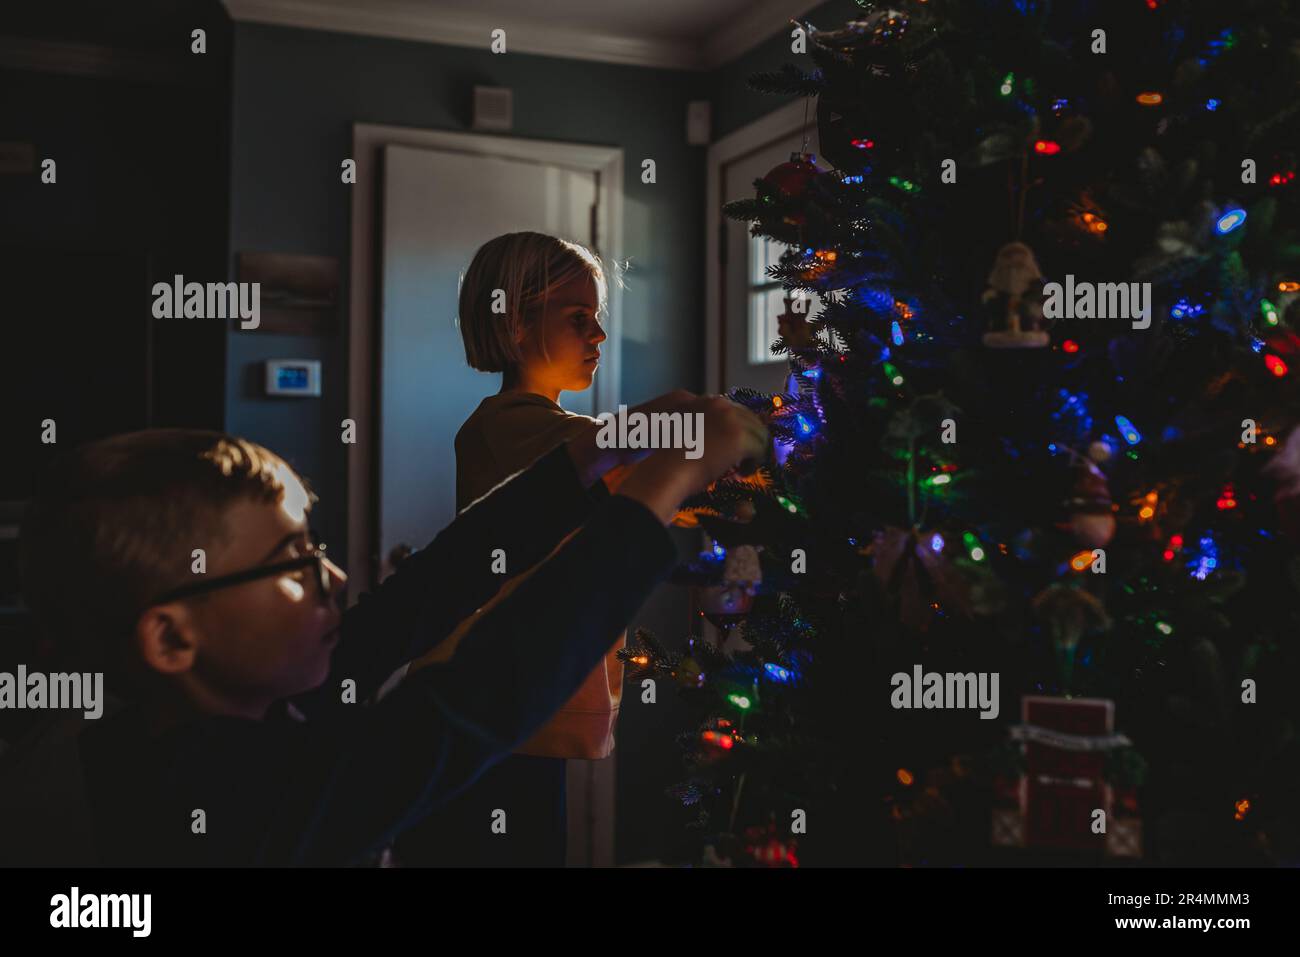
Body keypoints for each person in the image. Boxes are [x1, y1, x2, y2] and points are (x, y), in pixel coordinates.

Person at [9, 397, 767, 866]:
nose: (334, 578)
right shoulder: (207, 806)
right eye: (292, 563)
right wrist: (657, 493)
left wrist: (592, 453)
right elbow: (471, 702)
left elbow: (425, 591)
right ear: (171, 639)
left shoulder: (262, 696)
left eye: (317, 549)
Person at [401, 231, 644, 866]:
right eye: (577, 318)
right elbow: (628, 460)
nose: (597, 335)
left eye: (598, 319)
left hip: (518, 705)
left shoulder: (550, 429)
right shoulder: (512, 426)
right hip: (491, 708)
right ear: (514, 325)